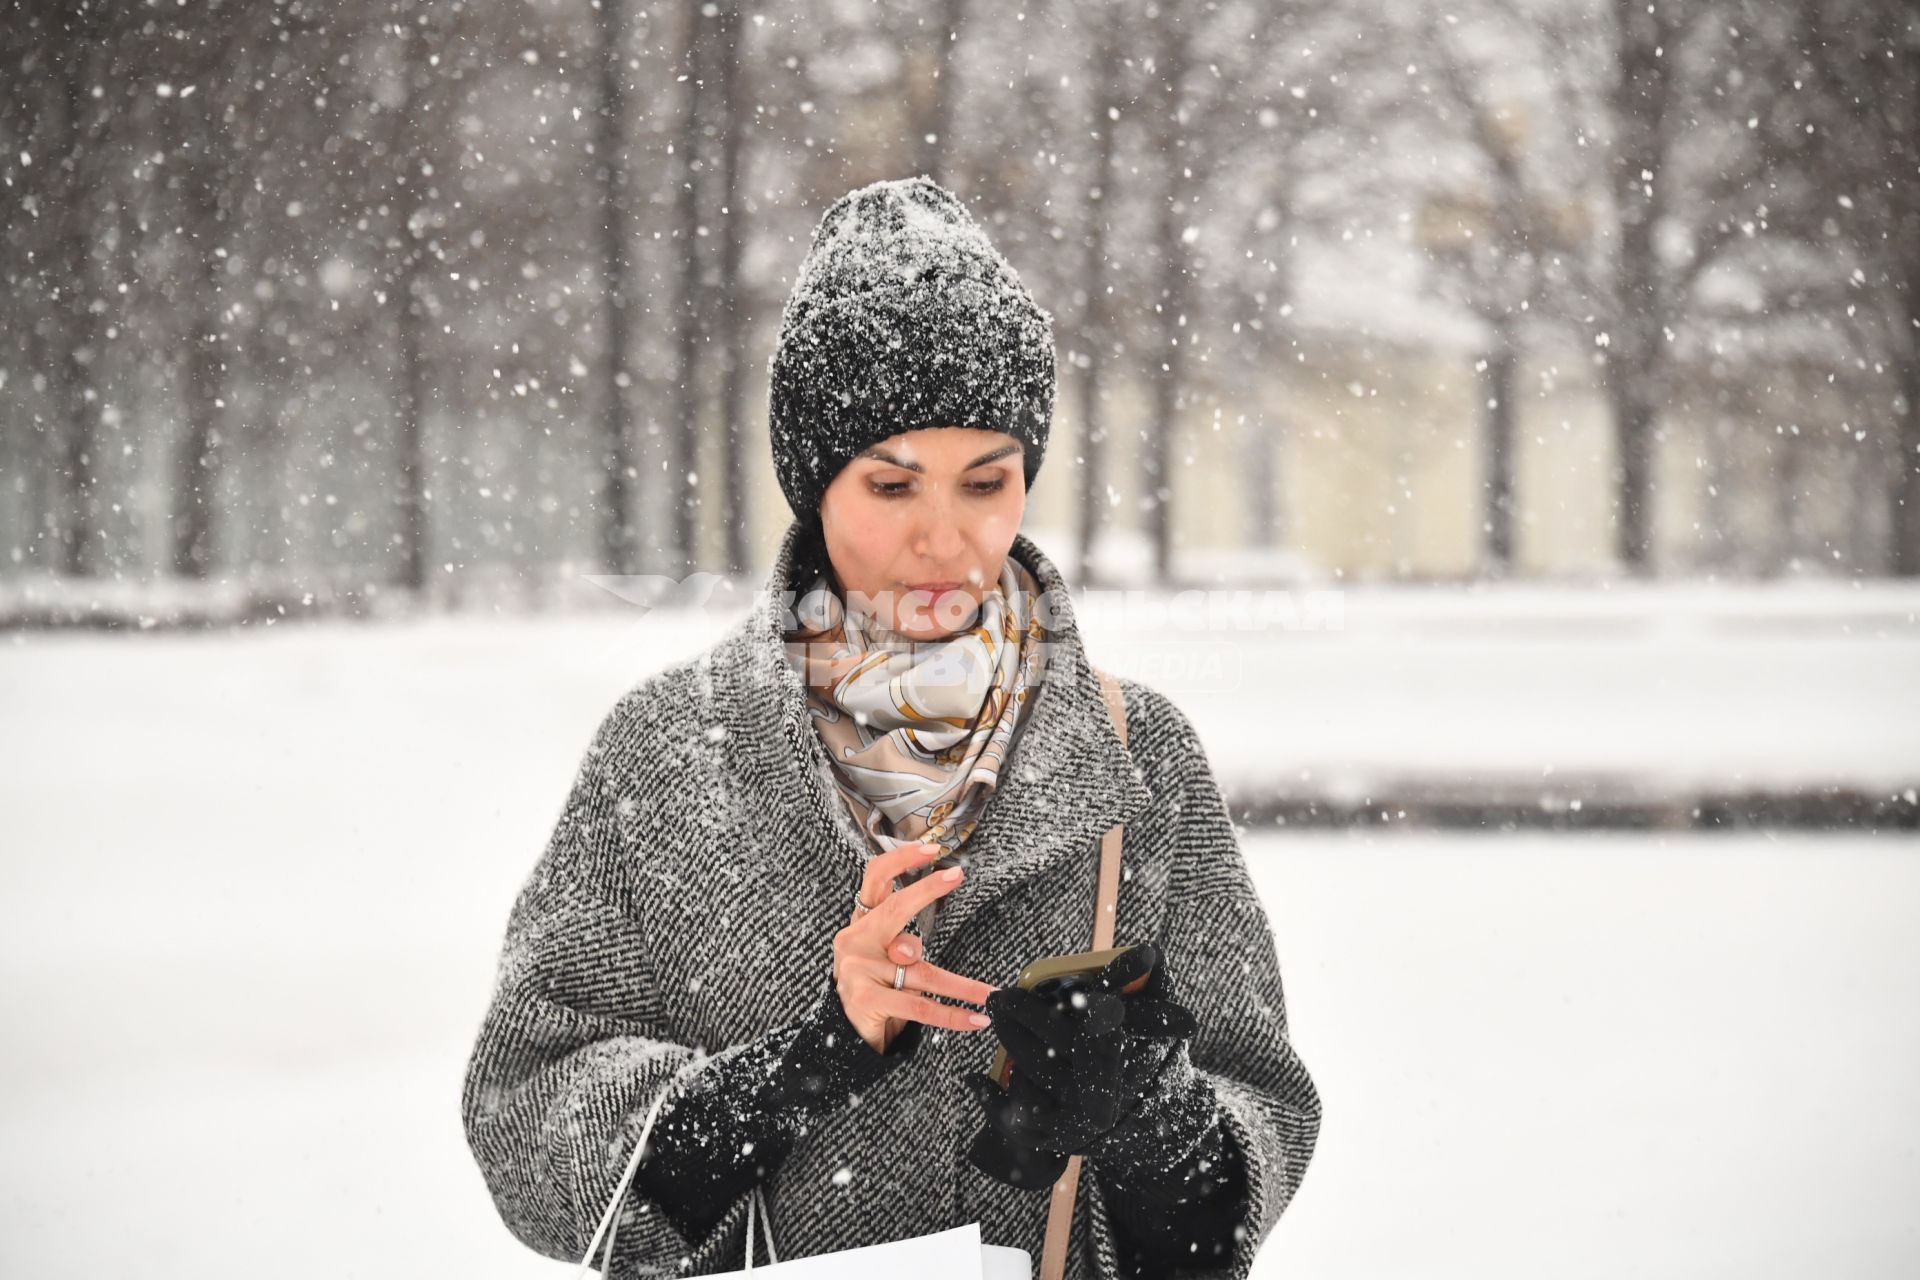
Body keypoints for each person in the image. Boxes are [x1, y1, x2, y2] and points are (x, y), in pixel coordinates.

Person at [460, 175, 1320, 1279]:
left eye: (986, 479)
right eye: (892, 484)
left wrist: (1151, 1118)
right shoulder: (668, 748)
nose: (946, 539)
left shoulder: (1140, 750)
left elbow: (1249, 1151)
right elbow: (527, 1118)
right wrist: (804, 1063)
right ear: (814, 485)